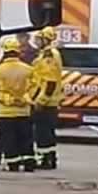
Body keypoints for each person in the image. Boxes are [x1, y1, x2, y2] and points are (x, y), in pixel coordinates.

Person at [0, 37, 38, 172]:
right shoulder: (28, 70)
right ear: (18, 52)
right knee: (26, 138)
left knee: (9, 139)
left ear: (5, 52)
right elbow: (35, 87)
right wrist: (25, 99)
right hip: (24, 111)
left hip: (6, 112)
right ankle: (29, 163)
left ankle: (13, 164)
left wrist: (9, 100)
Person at [30, 26, 64, 170]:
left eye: (38, 39)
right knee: (45, 132)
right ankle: (48, 158)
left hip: (46, 102)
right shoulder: (46, 53)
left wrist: (41, 101)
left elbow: (50, 81)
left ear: (45, 39)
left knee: (43, 133)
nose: (36, 41)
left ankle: (46, 159)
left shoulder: (49, 55)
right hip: (48, 101)